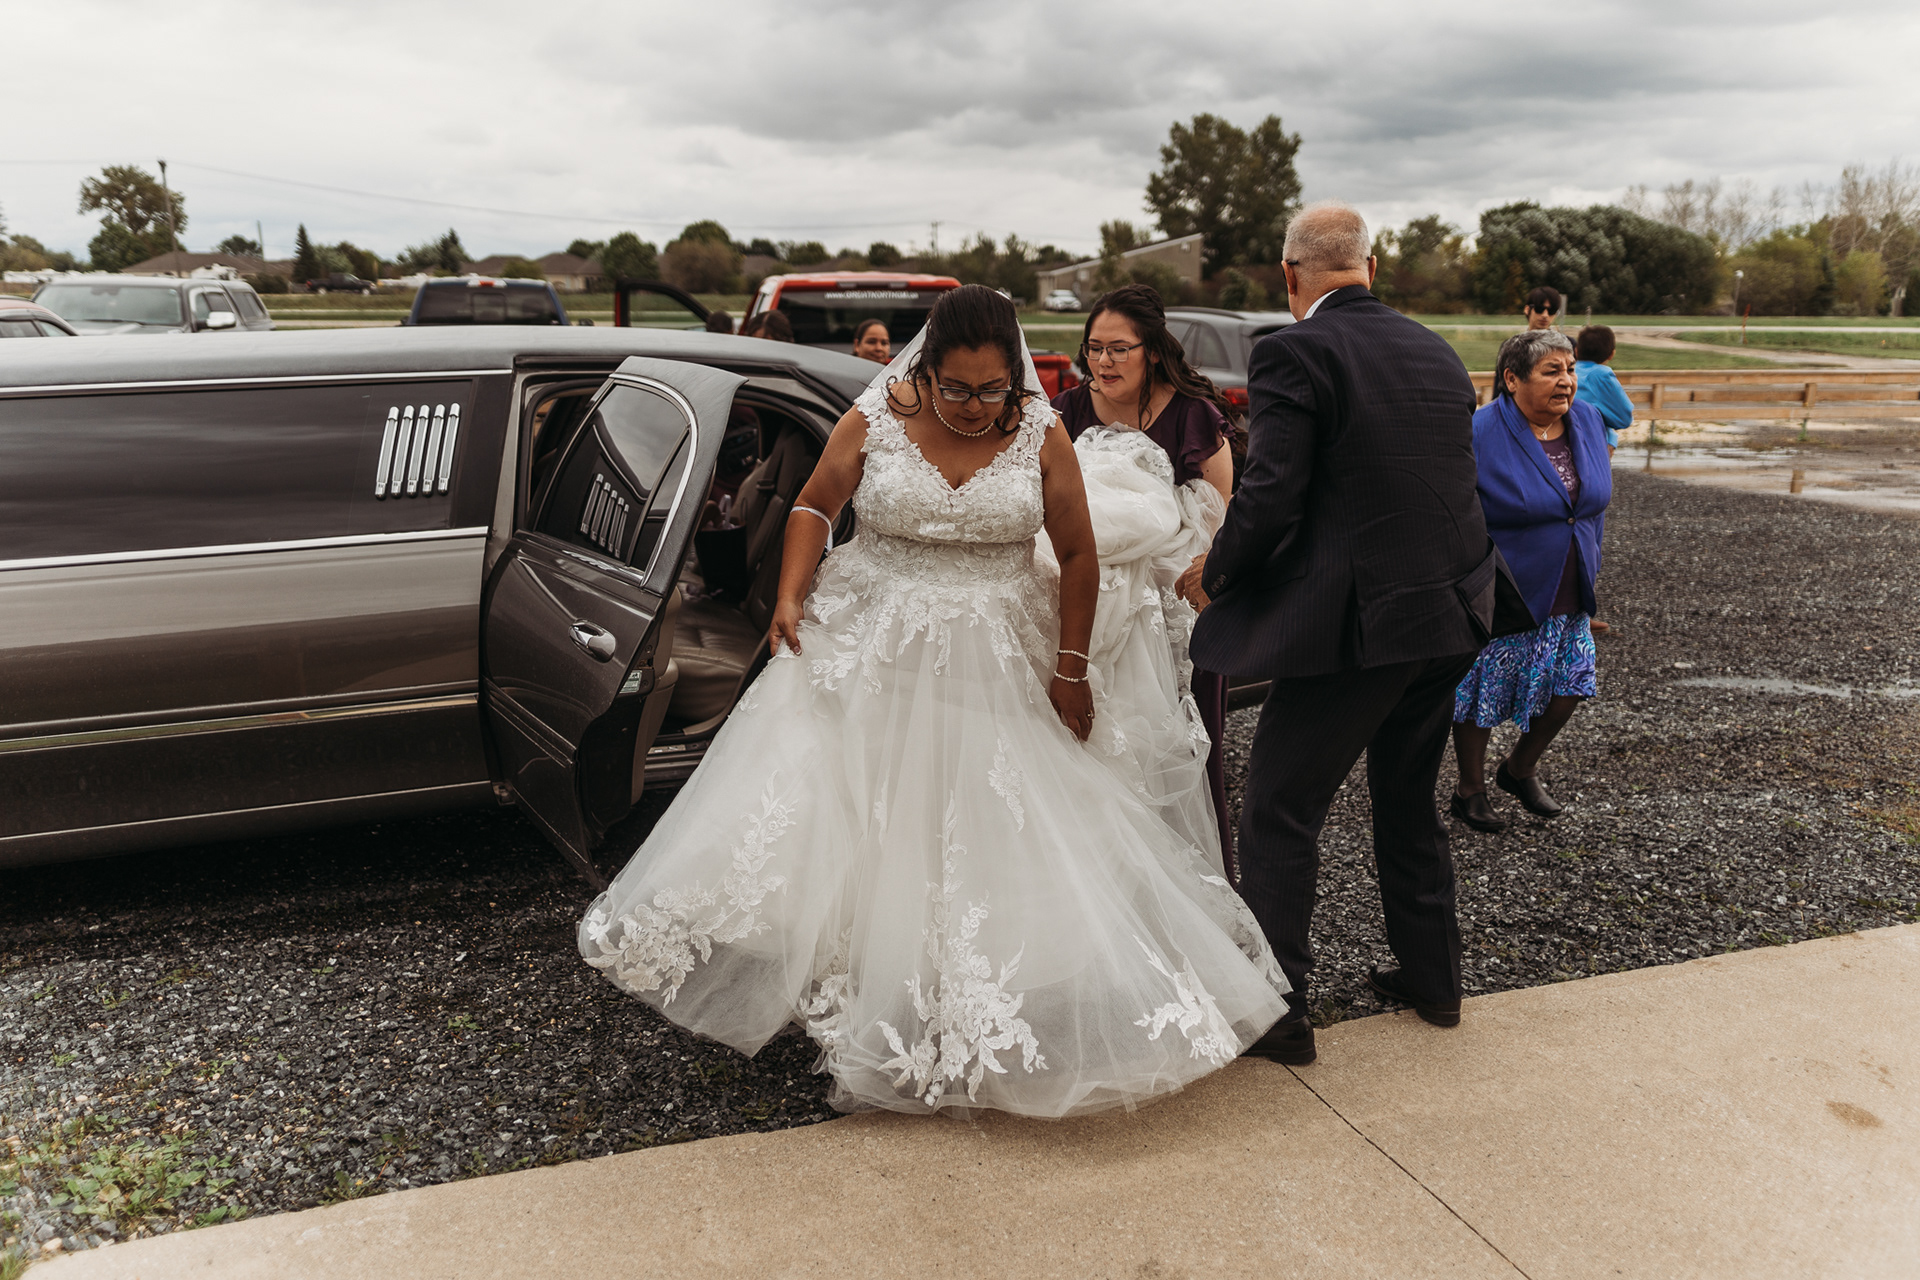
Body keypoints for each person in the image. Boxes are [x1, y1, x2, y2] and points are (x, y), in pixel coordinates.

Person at [581, 285, 1288, 1118]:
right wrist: (790, 593)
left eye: (993, 389)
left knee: (984, 818)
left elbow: (1077, 554)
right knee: (869, 813)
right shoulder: (877, 414)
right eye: (957, 388)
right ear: (926, 369)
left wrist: (1070, 668)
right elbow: (814, 503)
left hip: (998, 654)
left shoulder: (1040, 430)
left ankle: (968, 992)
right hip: (874, 642)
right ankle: (867, 987)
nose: (976, 405)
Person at [1178, 203, 1494, 1059]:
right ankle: (1434, 980)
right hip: (1451, 610)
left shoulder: (1295, 350)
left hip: (1361, 625)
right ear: (1371, 268)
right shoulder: (1434, 349)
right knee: (1408, 797)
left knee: (1279, 808)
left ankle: (1279, 1013)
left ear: (1290, 275)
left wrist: (1218, 572)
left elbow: (1272, 491)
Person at [1050, 283, 1238, 873]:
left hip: (1176, 608)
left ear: (1152, 350)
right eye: (1094, 348)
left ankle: (1192, 878)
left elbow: (1222, 515)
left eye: (1118, 349)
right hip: (1088, 609)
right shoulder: (1067, 410)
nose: (1102, 362)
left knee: (1183, 746)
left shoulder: (1193, 413)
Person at [1449, 330, 1611, 832]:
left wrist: (1591, 570)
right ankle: (1470, 789)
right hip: (1503, 587)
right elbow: (1457, 512)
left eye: (1570, 370)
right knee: (1482, 691)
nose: (1567, 382)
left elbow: (1591, 507)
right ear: (1512, 379)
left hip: (1570, 584)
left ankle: (1519, 768)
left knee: (1573, 684)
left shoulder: (1588, 419)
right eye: (1551, 371)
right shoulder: (1479, 431)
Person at [1573, 325, 1631, 453]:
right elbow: (1624, 419)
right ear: (1611, 354)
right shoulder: (1601, 375)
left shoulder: (1568, 371)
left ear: (1576, 351)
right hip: (1588, 447)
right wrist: (1612, 437)